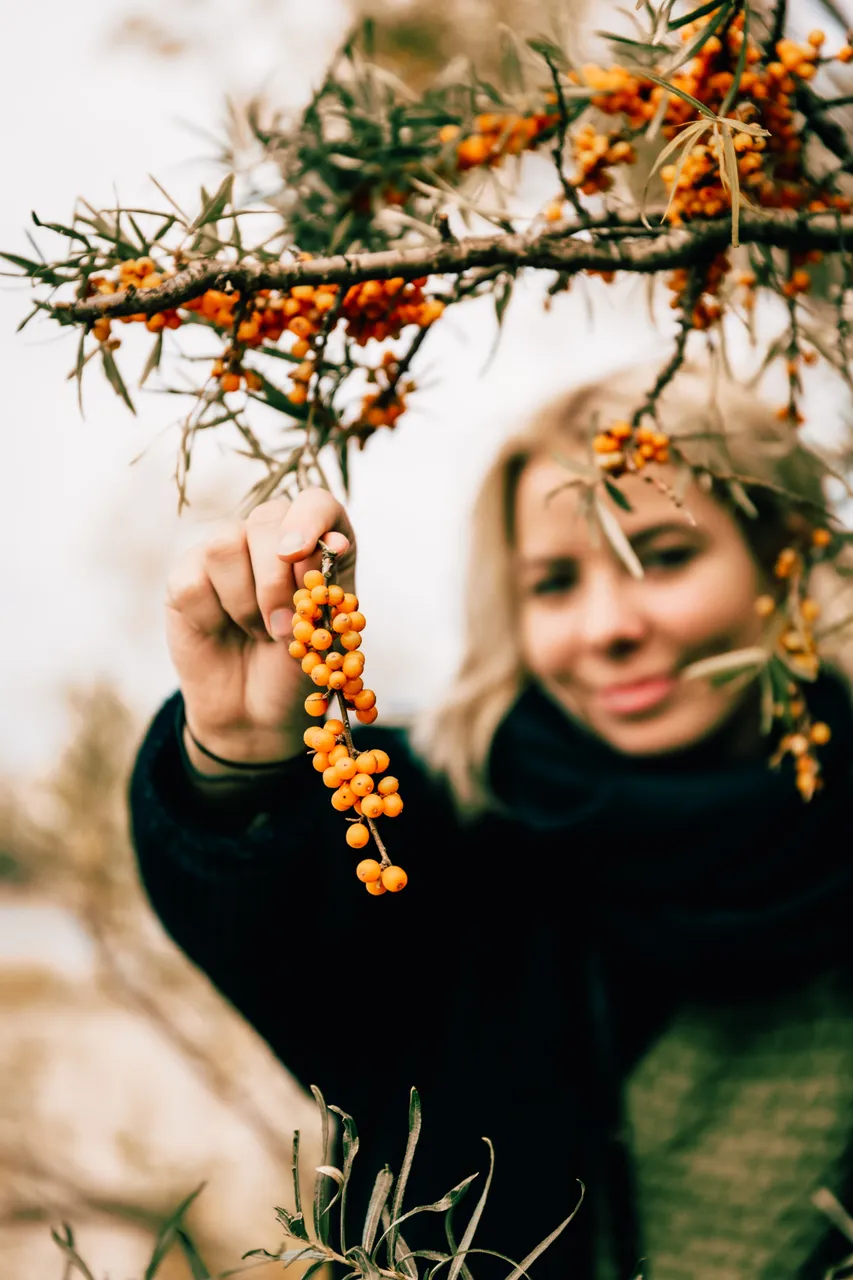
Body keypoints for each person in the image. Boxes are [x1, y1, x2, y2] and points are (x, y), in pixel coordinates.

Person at [128, 362, 853, 1280]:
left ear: (780, 557)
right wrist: (239, 751)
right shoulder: (449, 829)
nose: (605, 627)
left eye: (663, 555)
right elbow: (271, 924)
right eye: (553, 582)